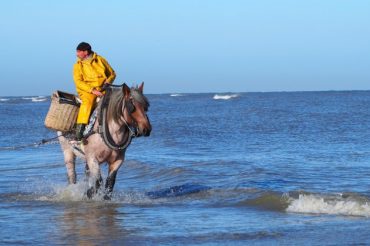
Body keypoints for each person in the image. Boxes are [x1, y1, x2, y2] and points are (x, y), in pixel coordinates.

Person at [73, 42, 116, 140]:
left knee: (116, 101)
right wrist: (92, 90)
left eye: (79, 52)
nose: (77, 54)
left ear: (86, 52)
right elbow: (78, 82)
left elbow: (112, 73)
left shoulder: (100, 60)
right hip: (87, 91)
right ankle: (80, 131)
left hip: (103, 89)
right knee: (87, 103)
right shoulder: (78, 65)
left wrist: (107, 83)